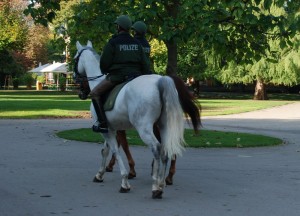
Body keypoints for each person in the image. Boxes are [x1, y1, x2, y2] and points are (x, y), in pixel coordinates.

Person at [90, 15, 149, 133]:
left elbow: (104, 62)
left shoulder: (112, 43)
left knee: (94, 93)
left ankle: (102, 123)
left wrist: (106, 71)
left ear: (118, 27)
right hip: (136, 76)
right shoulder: (137, 43)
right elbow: (145, 63)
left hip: (117, 76)